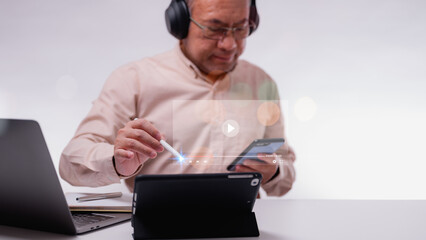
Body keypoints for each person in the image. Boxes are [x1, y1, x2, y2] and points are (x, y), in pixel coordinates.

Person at [60, 0, 295, 196]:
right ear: (179, 24)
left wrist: (274, 171)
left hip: (242, 226)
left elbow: (286, 170)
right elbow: (70, 164)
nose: (230, 44)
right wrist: (116, 161)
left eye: (241, 29)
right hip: (161, 228)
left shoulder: (262, 83)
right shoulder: (133, 80)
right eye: (214, 29)